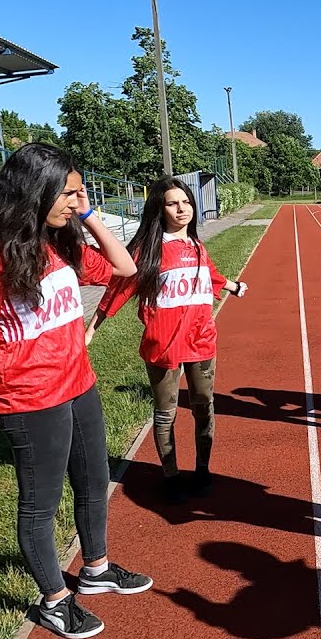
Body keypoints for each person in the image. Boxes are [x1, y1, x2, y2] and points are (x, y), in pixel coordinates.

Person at [0, 143, 151, 639]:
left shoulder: (55, 239)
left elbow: (123, 268)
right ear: (34, 190)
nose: (76, 201)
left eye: (78, 192)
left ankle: (96, 568)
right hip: (29, 398)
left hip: (78, 383)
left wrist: (87, 214)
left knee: (93, 482)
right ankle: (53, 600)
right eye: (68, 193)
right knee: (40, 504)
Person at [87, 177, 247, 504]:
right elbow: (116, 291)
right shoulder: (148, 250)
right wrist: (91, 330)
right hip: (163, 346)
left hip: (202, 342)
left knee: (204, 408)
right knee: (166, 413)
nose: (182, 208)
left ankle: (202, 469)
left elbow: (209, 275)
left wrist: (231, 285)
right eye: (173, 203)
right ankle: (171, 476)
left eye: (186, 202)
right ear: (159, 208)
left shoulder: (197, 246)